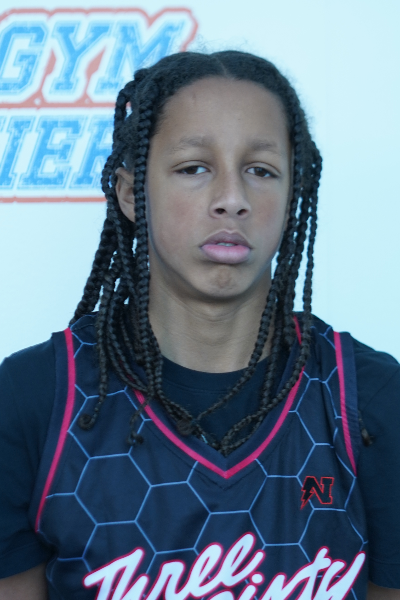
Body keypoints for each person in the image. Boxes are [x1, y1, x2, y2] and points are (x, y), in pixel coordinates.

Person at [0, 51, 399, 600]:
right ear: (131, 193)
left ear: (293, 196)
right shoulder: (32, 399)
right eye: (194, 168)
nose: (232, 200)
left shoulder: (371, 399)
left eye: (260, 171)